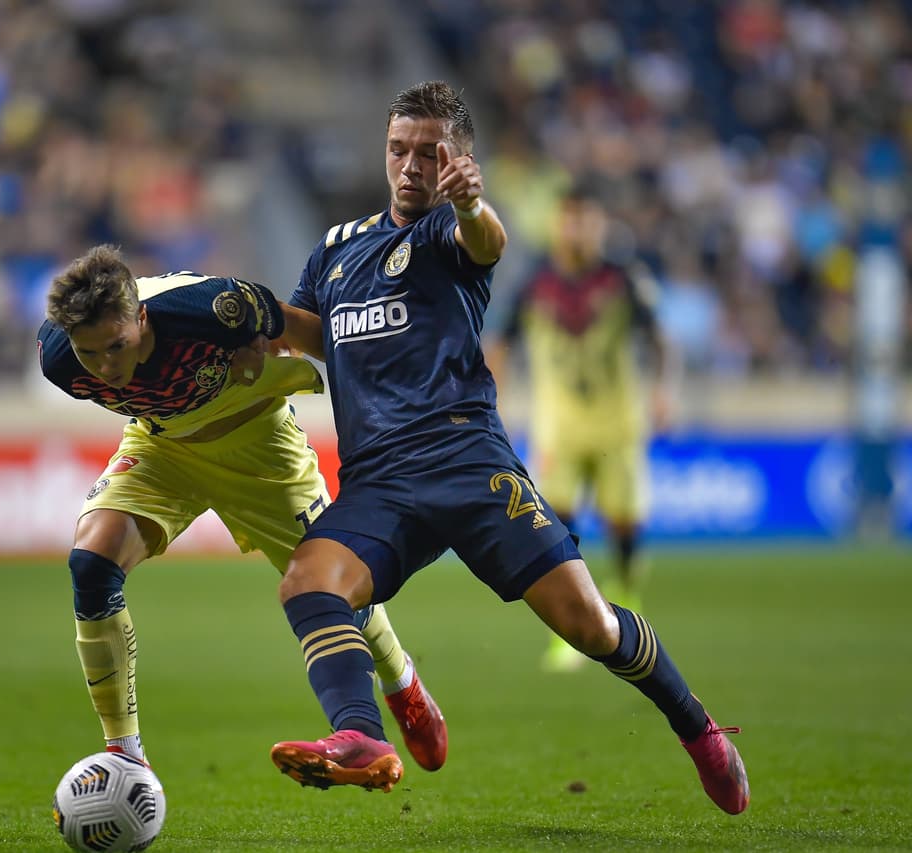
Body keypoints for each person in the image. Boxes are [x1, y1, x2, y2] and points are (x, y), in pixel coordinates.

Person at [267, 82, 748, 815]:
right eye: (399, 149)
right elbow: (305, 334)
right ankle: (361, 736)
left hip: (469, 465)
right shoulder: (336, 249)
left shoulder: (448, 233)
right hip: (379, 483)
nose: (410, 166)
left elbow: (486, 238)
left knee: (591, 624)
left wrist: (466, 203)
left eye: (430, 154)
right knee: (307, 581)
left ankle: (698, 728)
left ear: (458, 159)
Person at [37, 244, 447, 772]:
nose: (106, 367)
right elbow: (117, 378)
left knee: (333, 586)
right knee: (91, 564)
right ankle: (125, 754)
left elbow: (318, 336)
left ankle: (401, 680)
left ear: (141, 315)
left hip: (262, 450)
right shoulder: (59, 360)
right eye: (90, 354)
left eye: (116, 346)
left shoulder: (211, 307)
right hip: (165, 451)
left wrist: (399, 391)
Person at [494, 183, 679, 672]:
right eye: (570, 218)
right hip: (558, 427)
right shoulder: (533, 282)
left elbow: (660, 338)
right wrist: (494, 402)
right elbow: (501, 344)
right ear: (558, 223)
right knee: (556, 523)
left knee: (623, 520)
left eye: (586, 219)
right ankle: (572, 626)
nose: (577, 229)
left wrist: (663, 390)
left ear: (600, 225)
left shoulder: (623, 278)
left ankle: (626, 595)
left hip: (618, 423)